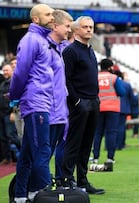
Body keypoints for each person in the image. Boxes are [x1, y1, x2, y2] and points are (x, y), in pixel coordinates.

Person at [9, 4, 54, 203]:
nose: (52, 17)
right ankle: (40, 194)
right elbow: (20, 72)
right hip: (36, 103)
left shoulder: (42, 40)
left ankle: (20, 196)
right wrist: (15, 96)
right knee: (42, 152)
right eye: (48, 14)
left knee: (27, 154)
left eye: (53, 13)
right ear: (36, 19)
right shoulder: (31, 40)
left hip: (40, 102)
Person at [61, 16, 105, 195]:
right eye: (85, 27)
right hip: (80, 103)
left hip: (93, 101)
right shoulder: (70, 51)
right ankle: (67, 180)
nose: (89, 30)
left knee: (87, 143)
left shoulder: (90, 50)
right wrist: (76, 100)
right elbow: (66, 79)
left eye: (91, 27)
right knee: (74, 143)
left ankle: (83, 180)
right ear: (76, 29)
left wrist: (95, 99)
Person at [47, 9, 73, 181]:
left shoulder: (65, 48)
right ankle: (31, 188)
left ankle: (61, 178)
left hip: (63, 106)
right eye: (67, 26)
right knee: (44, 149)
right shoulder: (43, 46)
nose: (69, 30)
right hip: (47, 106)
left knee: (64, 143)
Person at [92, 59, 125, 164]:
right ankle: (110, 157)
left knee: (97, 133)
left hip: (98, 108)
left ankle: (95, 157)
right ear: (110, 67)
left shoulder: (95, 77)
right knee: (111, 132)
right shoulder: (114, 78)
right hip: (112, 108)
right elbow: (122, 92)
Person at [0, 64, 20, 165]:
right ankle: (7, 158)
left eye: (7, 70)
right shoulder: (3, 83)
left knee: (12, 136)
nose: (5, 72)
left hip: (9, 113)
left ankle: (20, 155)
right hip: (1, 114)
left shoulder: (13, 82)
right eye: (4, 71)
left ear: (11, 71)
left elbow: (15, 97)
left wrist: (13, 111)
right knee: (3, 137)